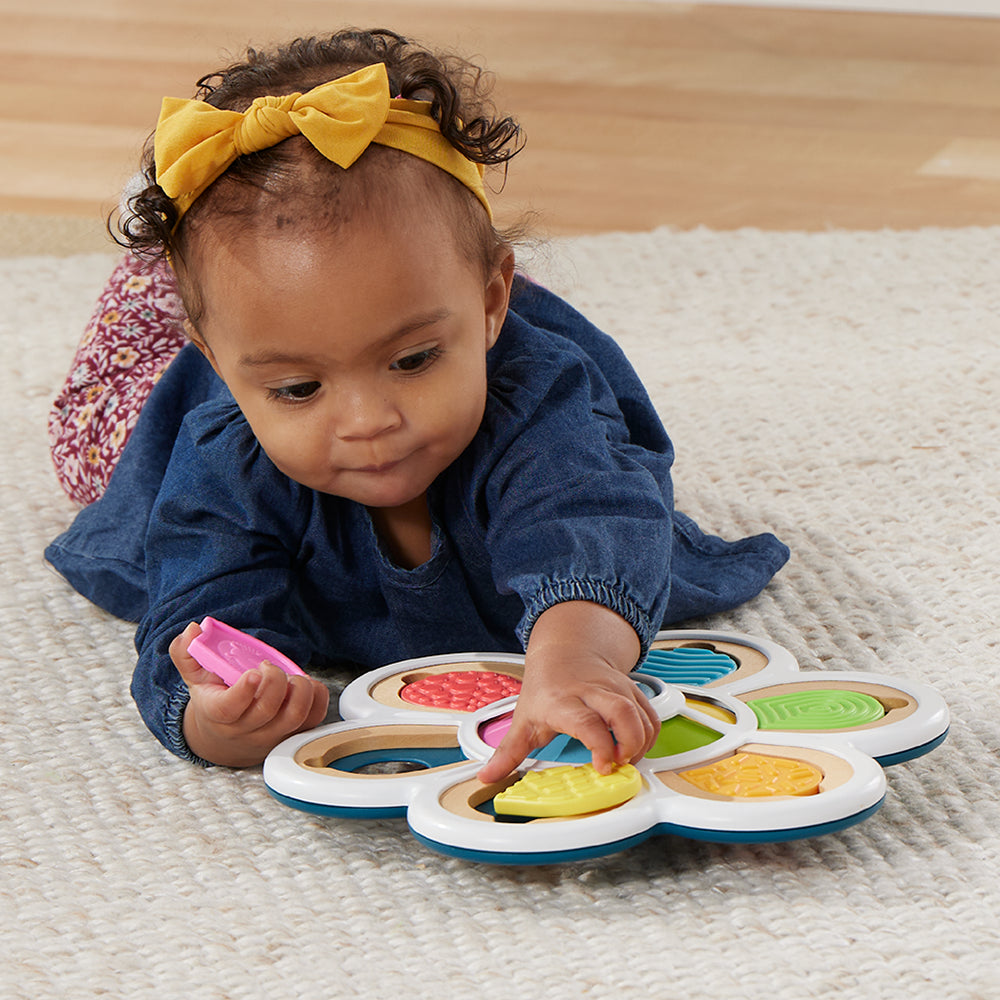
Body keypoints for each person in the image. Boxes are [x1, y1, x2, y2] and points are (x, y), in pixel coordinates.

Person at [45, 28, 789, 778]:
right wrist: (218, 718)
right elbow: (198, 611)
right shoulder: (224, 453)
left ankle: (410, 310)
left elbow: (592, 522)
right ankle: (156, 286)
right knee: (103, 453)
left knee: (398, 312)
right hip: (190, 384)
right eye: (301, 389)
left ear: (493, 304)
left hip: (469, 327)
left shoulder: (540, 402)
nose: (368, 421)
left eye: (412, 360)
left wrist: (577, 660)